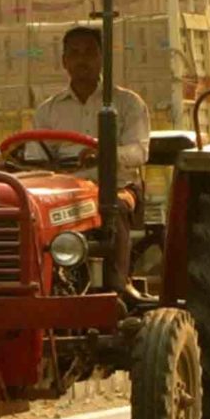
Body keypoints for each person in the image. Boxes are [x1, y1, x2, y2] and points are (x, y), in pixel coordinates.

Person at [34, 26, 150, 287]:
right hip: (66, 191)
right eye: (74, 53)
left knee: (112, 207)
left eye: (89, 52)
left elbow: (139, 151)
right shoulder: (48, 110)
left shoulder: (127, 103)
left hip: (117, 185)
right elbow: (35, 156)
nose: (81, 59)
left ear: (102, 59)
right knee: (32, 214)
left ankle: (116, 288)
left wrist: (104, 154)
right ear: (64, 61)